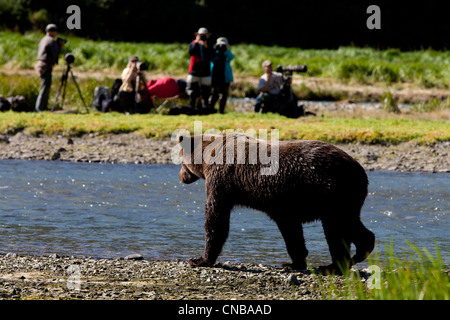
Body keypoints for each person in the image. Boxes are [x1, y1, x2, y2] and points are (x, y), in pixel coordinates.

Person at [34, 24, 65, 112]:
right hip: (45, 66)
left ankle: (42, 107)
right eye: (55, 31)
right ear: (52, 32)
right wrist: (60, 46)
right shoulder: (51, 41)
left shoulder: (44, 39)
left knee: (45, 86)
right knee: (45, 87)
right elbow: (55, 53)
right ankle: (39, 108)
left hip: (41, 65)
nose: (56, 34)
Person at [187, 27, 213, 112]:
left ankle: (205, 108)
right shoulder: (193, 43)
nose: (203, 37)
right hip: (194, 72)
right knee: (192, 91)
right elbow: (191, 52)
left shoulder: (209, 45)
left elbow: (211, 56)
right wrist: (197, 42)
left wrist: (205, 46)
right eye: (201, 35)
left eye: (204, 35)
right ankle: (192, 107)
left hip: (205, 72)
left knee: (206, 92)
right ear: (197, 35)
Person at [209, 37, 234, 114]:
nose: (221, 47)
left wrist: (225, 50)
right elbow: (211, 59)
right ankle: (210, 109)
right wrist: (216, 50)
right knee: (214, 93)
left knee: (224, 94)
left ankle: (221, 110)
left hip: (224, 77)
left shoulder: (227, 53)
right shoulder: (214, 52)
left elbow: (231, 57)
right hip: (215, 76)